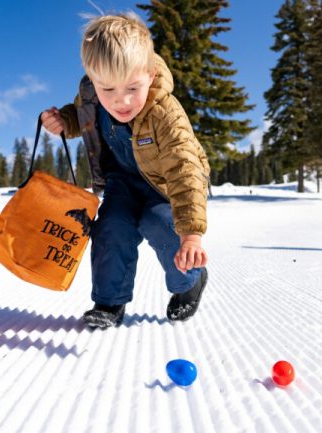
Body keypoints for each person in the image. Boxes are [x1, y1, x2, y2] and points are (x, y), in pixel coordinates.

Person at [40, 13, 210, 329]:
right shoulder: (92, 95)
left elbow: (185, 169)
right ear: (92, 79)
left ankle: (189, 282)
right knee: (110, 228)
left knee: (159, 224)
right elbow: (83, 115)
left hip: (165, 185)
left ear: (150, 73)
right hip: (121, 181)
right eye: (108, 90)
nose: (121, 101)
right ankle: (109, 301)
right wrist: (65, 122)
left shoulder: (165, 113)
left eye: (133, 87)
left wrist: (192, 235)